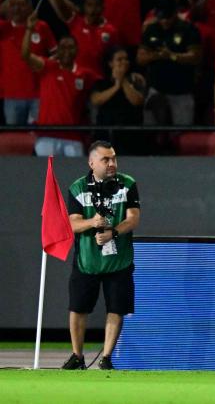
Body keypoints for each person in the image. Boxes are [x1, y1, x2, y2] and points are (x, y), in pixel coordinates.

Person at [62, 140, 140, 370]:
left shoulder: (127, 184)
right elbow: (72, 224)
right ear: (92, 162)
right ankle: (77, 355)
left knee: (116, 308)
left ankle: (106, 358)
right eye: (105, 159)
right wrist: (93, 222)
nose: (111, 163)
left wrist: (113, 232)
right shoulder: (77, 187)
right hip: (87, 260)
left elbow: (133, 218)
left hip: (119, 260)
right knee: (78, 307)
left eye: (113, 158)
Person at [22, 12, 98, 156]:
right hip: (47, 136)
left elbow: (101, 86)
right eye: (63, 47)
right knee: (47, 176)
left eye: (71, 47)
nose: (67, 52)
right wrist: (29, 30)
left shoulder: (85, 74)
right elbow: (25, 55)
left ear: (77, 50)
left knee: (74, 178)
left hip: (73, 137)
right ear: (58, 49)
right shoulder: (47, 67)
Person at [137, 0, 202, 127]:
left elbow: (196, 57)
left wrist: (172, 56)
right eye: (162, 17)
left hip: (181, 92)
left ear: (175, 12)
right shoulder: (152, 29)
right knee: (150, 132)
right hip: (156, 90)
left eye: (168, 16)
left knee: (182, 135)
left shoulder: (188, 29)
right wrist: (158, 56)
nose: (165, 21)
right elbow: (140, 58)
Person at [0, 0, 56, 125]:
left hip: (39, 94)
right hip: (12, 94)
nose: (17, 8)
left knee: (37, 136)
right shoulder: (3, 28)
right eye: (13, 5)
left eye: (21, 4)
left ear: (31, 7)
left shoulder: (42, 27)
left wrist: (44, 65)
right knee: (14, 139)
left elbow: (56, 54)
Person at [90, 47, 145, 155]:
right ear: (110, 63)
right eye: (119, 59)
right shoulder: (101, 82)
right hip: (105, 135)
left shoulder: (136, 80)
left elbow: (137, 101)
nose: (124, 62)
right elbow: (96, 100)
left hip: (130, 136)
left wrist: (122, 80)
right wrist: (116, 86)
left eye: (126, 59)